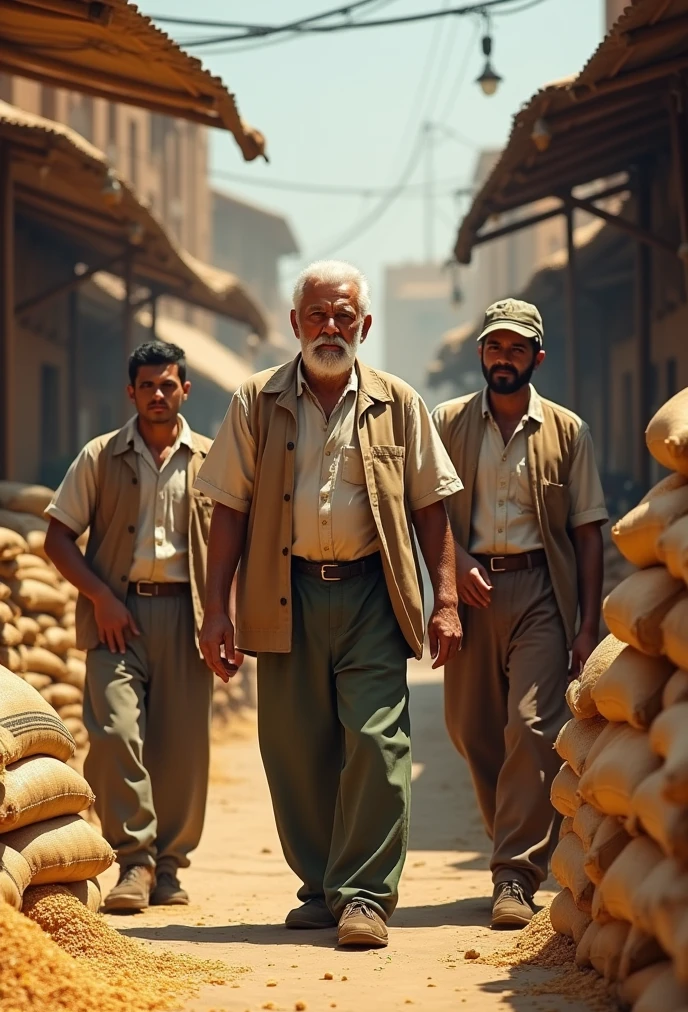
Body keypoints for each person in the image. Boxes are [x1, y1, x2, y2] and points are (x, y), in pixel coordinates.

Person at [195, 259, 463, 949]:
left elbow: (432, 508)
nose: (331, 326)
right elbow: (227, 507)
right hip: (285, 595)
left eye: (345, 315)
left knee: (376, 741)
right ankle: (322, 887)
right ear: (294, 323)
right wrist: (216, 610)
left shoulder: (399, 402)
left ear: (365, 325)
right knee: (294, 747)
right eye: (318, 314)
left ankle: (366, 896)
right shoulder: (256, 400)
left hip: (373, 594)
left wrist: (446, 600)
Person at [432, 298, 607, 929]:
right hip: (470, 595)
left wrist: (586, 626)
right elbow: (425, 512)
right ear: (482, 354)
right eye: (494, 346)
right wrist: (454, 570)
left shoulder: (568, 430)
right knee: (473, 730)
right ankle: (515, 841)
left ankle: (514, 872)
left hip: (540, 591)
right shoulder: (446, 423)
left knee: (531, 728)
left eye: (516, 348)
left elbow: (588, 532)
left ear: (537, 356)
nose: (503, 358)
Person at [44, 340, 220, 912]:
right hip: (116, 617)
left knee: (183, 750)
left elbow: (233, 547)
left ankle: (170, 866)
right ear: (131, 392)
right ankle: (134, 861)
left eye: (168, 385)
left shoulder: (211, 461)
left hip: (188, 618)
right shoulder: (99, 456)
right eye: (147, 386)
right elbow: (57, 538)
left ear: (184, 389)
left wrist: (225, 615)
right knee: (116, 734)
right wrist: (101, 597)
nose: (158, 395)